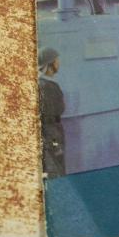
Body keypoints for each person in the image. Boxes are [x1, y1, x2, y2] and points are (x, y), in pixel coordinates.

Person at [38, 47, 66, 178]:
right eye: (56, 60)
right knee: (56, 171)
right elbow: (49, 119)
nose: (58, 63)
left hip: (49, 135)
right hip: (52, 136)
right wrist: (56, 145)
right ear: (50, 64)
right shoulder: (48, 86)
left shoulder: (42, 84)